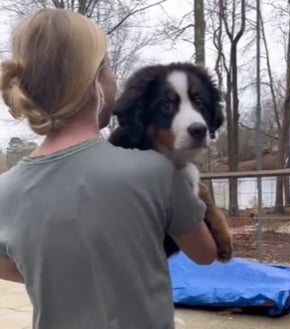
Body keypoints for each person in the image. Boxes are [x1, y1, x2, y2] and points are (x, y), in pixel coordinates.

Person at [0, 9, 217, 329]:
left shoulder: (4, 191)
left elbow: (6, 268)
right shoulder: (156, 172)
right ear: (96, 82)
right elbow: (205, 253)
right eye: (109, 67)